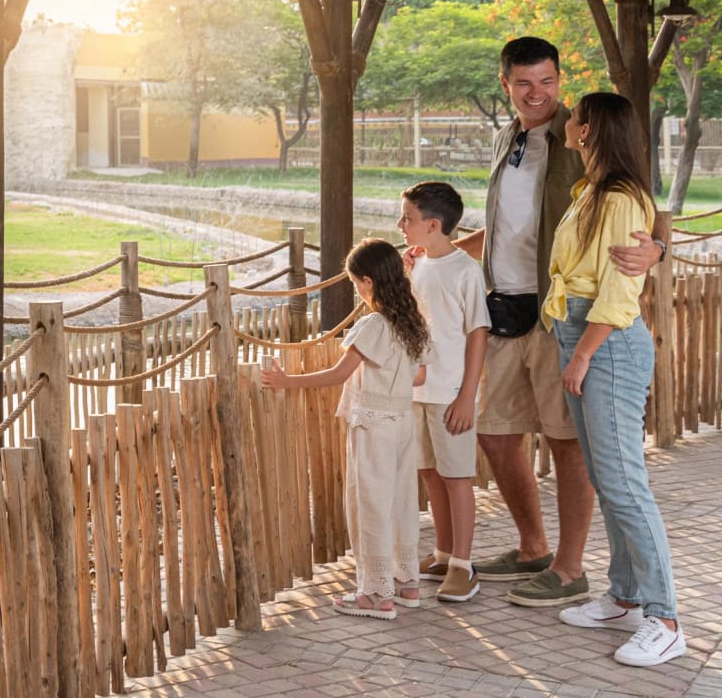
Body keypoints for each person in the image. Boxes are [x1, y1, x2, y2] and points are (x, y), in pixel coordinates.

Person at [452, 38, 666, 608]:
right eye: (524, 83)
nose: (537, 93)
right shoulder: (507, 138)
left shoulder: (581, 133)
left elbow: (639, 206)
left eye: (546, 82)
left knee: (567, 441)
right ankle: (532, 548)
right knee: (495, 434)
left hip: (560, 315)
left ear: (559, 78)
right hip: (505, 307)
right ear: (506, 85)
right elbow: (506, 224)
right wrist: (445, 251)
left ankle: (571, 569)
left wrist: (658, 251)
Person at [547, 92, 683, 666]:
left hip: (604, 342)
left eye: (575, 117)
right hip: (579, 334)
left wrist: (581, 355)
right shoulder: (592, 193)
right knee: (608, 478)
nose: (568, 122)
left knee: (625, 482)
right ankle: (625, 598)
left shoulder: (623, 199)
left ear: (590, 129)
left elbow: (619, 291)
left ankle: (665, 618)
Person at [264, 238, 429, 620]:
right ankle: (406, 582)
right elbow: (418, 375)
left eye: (355, 283)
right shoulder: (412, 321)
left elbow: (340, 374)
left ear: (368, 282)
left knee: (369, 504)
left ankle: (375, 593)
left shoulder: (374, 324)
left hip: (373, 425)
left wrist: (287, 381)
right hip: (403, 421)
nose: (356, 289)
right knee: (401, 502)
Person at [397, 181, 489, 603]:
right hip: (419, 390)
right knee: (431, 473)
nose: (401, 225)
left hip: (451, 392)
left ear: (433, 225)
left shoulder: (465, 270)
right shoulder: (418, 265)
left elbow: (477, 334)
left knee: (457, 478)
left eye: (408, 219)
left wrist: (467, 395)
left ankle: (463, 567)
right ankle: (443, 553)